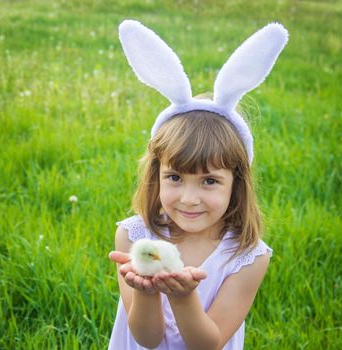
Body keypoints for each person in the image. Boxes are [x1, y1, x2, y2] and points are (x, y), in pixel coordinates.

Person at [108, 20, 288, 349]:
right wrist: (146, 293)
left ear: (237, 184)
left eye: (209, 181)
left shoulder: (246, 257)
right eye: (175, 178)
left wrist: (184, 298)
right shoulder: (135, 236)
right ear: (156, 176)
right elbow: (146, 340)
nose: (190, 199)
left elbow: (209, 343)